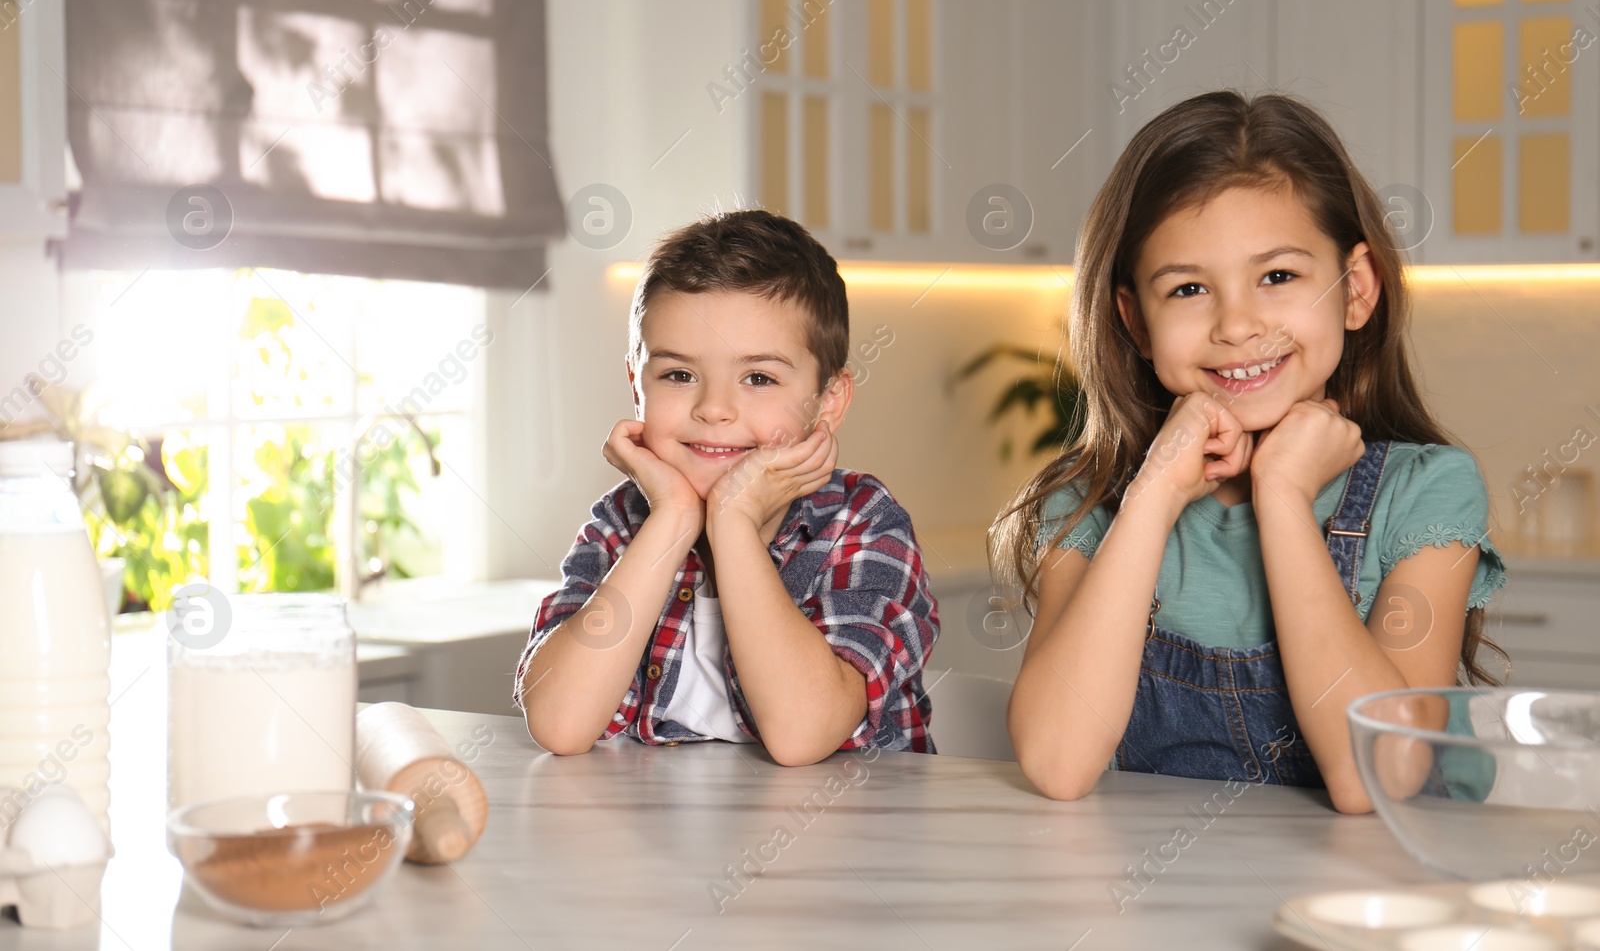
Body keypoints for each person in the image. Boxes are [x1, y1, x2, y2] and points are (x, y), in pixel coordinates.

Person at [999, 91, 1506, 812]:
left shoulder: (1426, 493)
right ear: (1135, 320)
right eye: (1189, 287)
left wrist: (1284, 497)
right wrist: (1152, 495)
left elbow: (1378, 776)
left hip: (1380, 909)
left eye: (1277, 276)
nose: (1236, 324)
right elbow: (1058, 759)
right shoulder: (1090, 503)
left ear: (1355, 289)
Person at [515, 209, 938, 766]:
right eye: (678, 375)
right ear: (636, 386)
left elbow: (802, 735)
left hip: (840, 842)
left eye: (759, 378)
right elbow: (560, 724)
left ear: (828, 401)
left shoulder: (863, 522)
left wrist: (733, 523)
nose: (714, 409)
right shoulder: (624, 523)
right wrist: (671, 522)